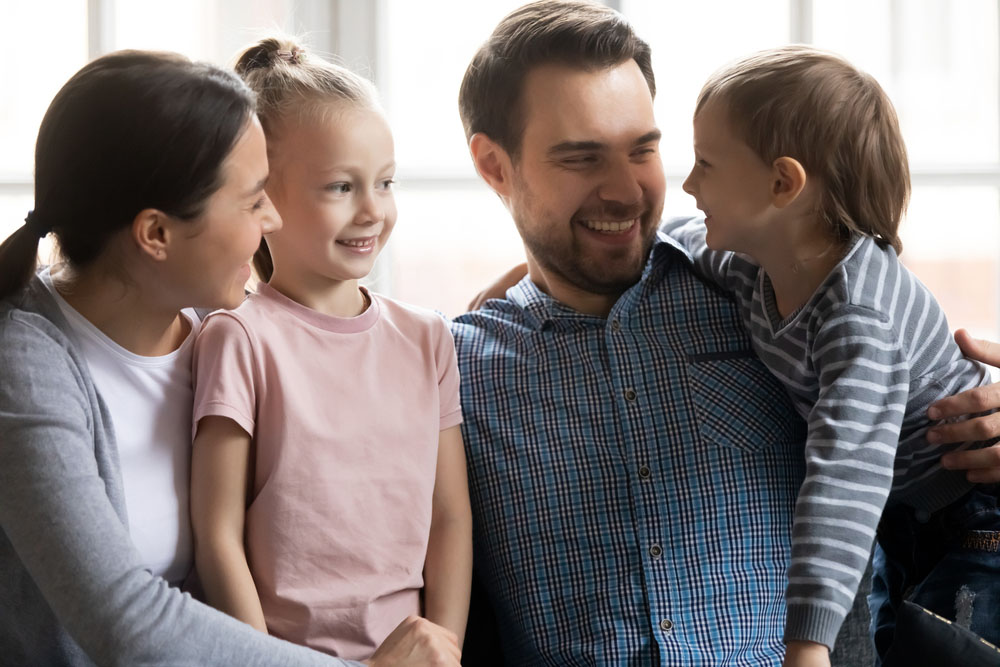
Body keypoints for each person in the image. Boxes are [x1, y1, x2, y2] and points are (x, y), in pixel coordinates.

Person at [450, 2, 1000, 665]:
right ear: (494, 166)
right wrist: (528, 274)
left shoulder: (772, 292)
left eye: (644, 149)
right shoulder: (454, 365)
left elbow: (888, 414)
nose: (626, 190)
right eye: (582, 158)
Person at [0, 49, 460, 667]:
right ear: (156, 235)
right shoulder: (25, 367)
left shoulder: (209, 330)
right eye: (252, 200)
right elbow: (126, 622)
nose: (272, 216)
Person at [667, 46, 1000, 666]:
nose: (687, 185)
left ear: (781, 184)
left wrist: (806, 644)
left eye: (705, 164)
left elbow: (843, 476)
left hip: (970, 508)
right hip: (899, 514)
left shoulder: (856, 316)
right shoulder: (750, 263)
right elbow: (668, 240)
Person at [189, 39, 472, 662]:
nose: (373, 209)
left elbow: (449, 518)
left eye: (386, 183)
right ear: (264, 201)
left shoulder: (427, 338)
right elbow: (217, 537)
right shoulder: (238, 336)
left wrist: (445, 646)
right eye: (342, 186)